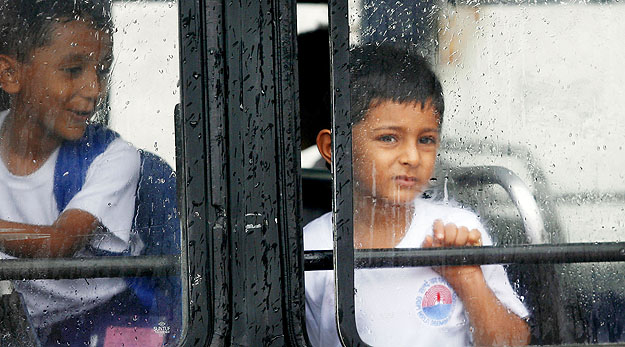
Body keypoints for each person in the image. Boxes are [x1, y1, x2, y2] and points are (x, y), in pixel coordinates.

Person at [305, 44, 531, 346]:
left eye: (426, 139)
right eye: (389, 138)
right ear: (334, 149)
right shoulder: (311, 248)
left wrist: (466, 277)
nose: (412, 156)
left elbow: (512, 342)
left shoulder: (460, 230)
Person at [0, 0, 143, 341]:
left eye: (102, 70)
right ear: (11, 74)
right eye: (73, 70)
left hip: (109, 323)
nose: (95, 89)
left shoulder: (114, 157)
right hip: (17, 324)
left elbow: (61, 243)